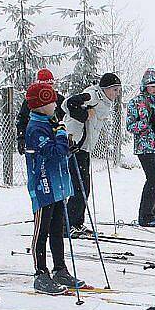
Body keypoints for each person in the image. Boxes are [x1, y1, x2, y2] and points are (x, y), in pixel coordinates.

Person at [24, 80, 84, 295]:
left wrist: (69, 145)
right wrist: (61, 137)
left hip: (58, 185)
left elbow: (61, 150)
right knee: (42, 230)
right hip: (43, 187)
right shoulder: (36, 128)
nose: (56, 106)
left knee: (58, 229)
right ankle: (40, 273)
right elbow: (52, 151)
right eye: (51, 102)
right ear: (40, 105)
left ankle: (60, 269)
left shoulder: (50, 122)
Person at [61, 72, 121, 237]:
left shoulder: (104, 101)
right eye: (114, 90)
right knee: (79, 187)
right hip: (75, 145)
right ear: (105, 88)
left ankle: (77, 223)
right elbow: (68, 104)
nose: (116, 94)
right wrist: (85, 114)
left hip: (84, 147)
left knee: (83, 187)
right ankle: (67, 225)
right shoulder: (92, 95)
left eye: (118, 90)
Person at [126, 67, 155, 227]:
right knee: (153, 178)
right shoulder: (136, 102)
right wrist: (146, 123)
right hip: (144, 147)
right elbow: (130, 126)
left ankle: (153, 213)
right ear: (145, 85)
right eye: (151, 86)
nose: (154, 89)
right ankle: (145, 216)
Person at [15, 68, 66, 156]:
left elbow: (65, 119)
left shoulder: (59, 100)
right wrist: (21, 137)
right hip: (39, 139)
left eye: (50, 85)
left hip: (57, 138)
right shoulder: (31, 101)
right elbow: (22, 119)